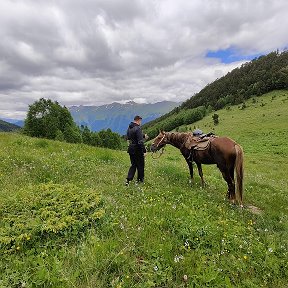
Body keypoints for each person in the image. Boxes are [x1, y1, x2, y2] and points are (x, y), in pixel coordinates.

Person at [125, 115, 147, 186]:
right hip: (137, 149)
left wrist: (142, 135)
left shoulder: (129, 127)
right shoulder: (138, 128)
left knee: (133, 165)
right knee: (140, 165)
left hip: (131, 149)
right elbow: (140, 142)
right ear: (138, 120)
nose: (141, 122)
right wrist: (144, 151)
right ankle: (140, 181)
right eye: (140, 121)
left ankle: (128, 180)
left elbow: (129, 137)